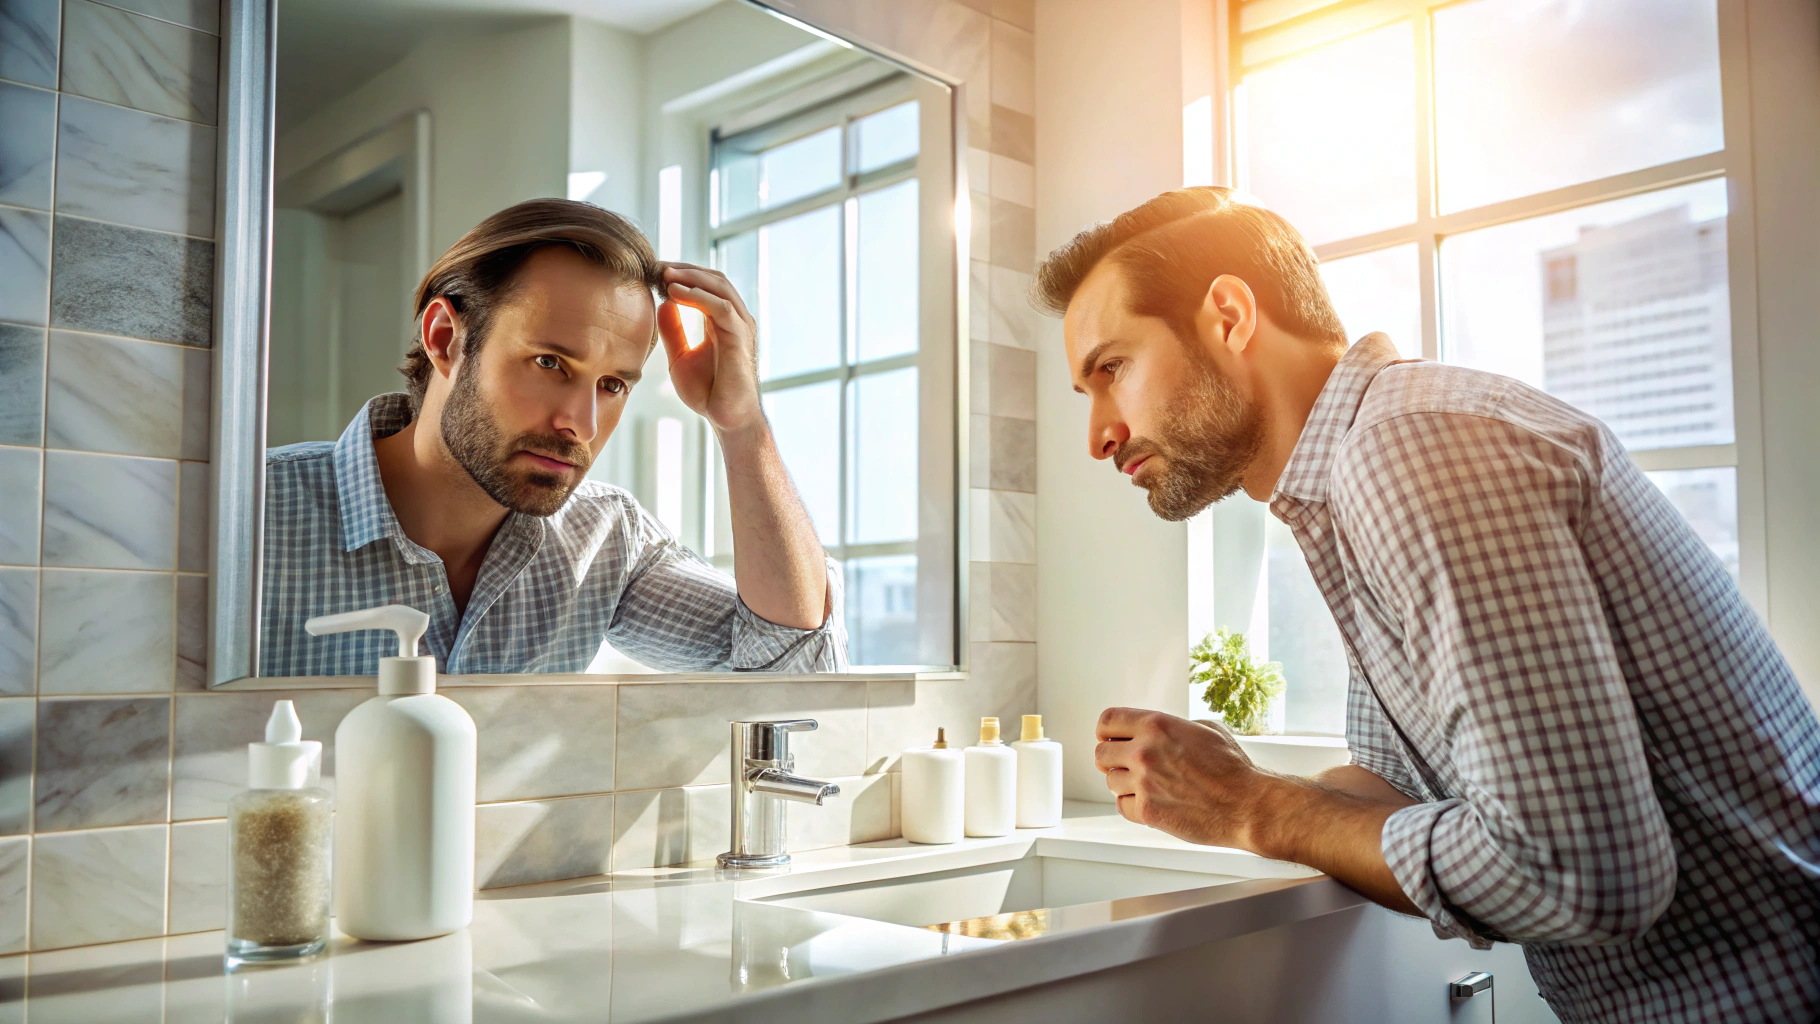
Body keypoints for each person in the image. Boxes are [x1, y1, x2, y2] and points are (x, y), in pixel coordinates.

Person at [1037, 186, 1820, 1022]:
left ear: (1228, 317)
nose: (1098, 437)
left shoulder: (1407, 452)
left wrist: (1250, 804)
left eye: (1111, 370)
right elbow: (1393, 782)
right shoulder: (1347, 484)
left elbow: (1583, 876)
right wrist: (1234, 783)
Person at [262, 199, 844, 675]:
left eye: (613, 384)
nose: (582, 425)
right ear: (445, 339)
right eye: (549, 364)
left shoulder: (604, 542)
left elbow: (793, 673)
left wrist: (741, 424)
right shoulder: (252, 515)